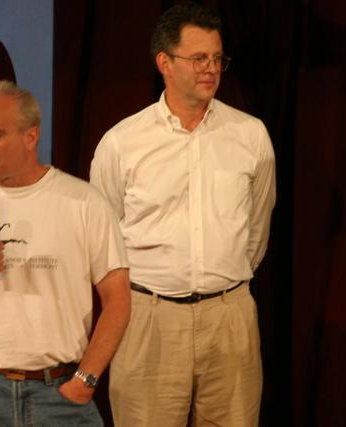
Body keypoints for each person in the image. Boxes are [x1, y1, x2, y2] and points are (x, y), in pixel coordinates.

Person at [90, 2, 276, 426]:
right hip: (149, 317)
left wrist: (223, 283)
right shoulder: (122, 142)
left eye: (217, 58)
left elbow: (257, 229)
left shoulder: (250, 135)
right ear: (165, 63)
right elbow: (103, 242)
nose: (210, 69)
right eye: (198, 58)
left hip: (229, 316)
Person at [0, 80, 131, 426]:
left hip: (60, 395)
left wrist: (86, 379)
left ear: (31, 137)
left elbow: (118, 299)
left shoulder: (83, 202)